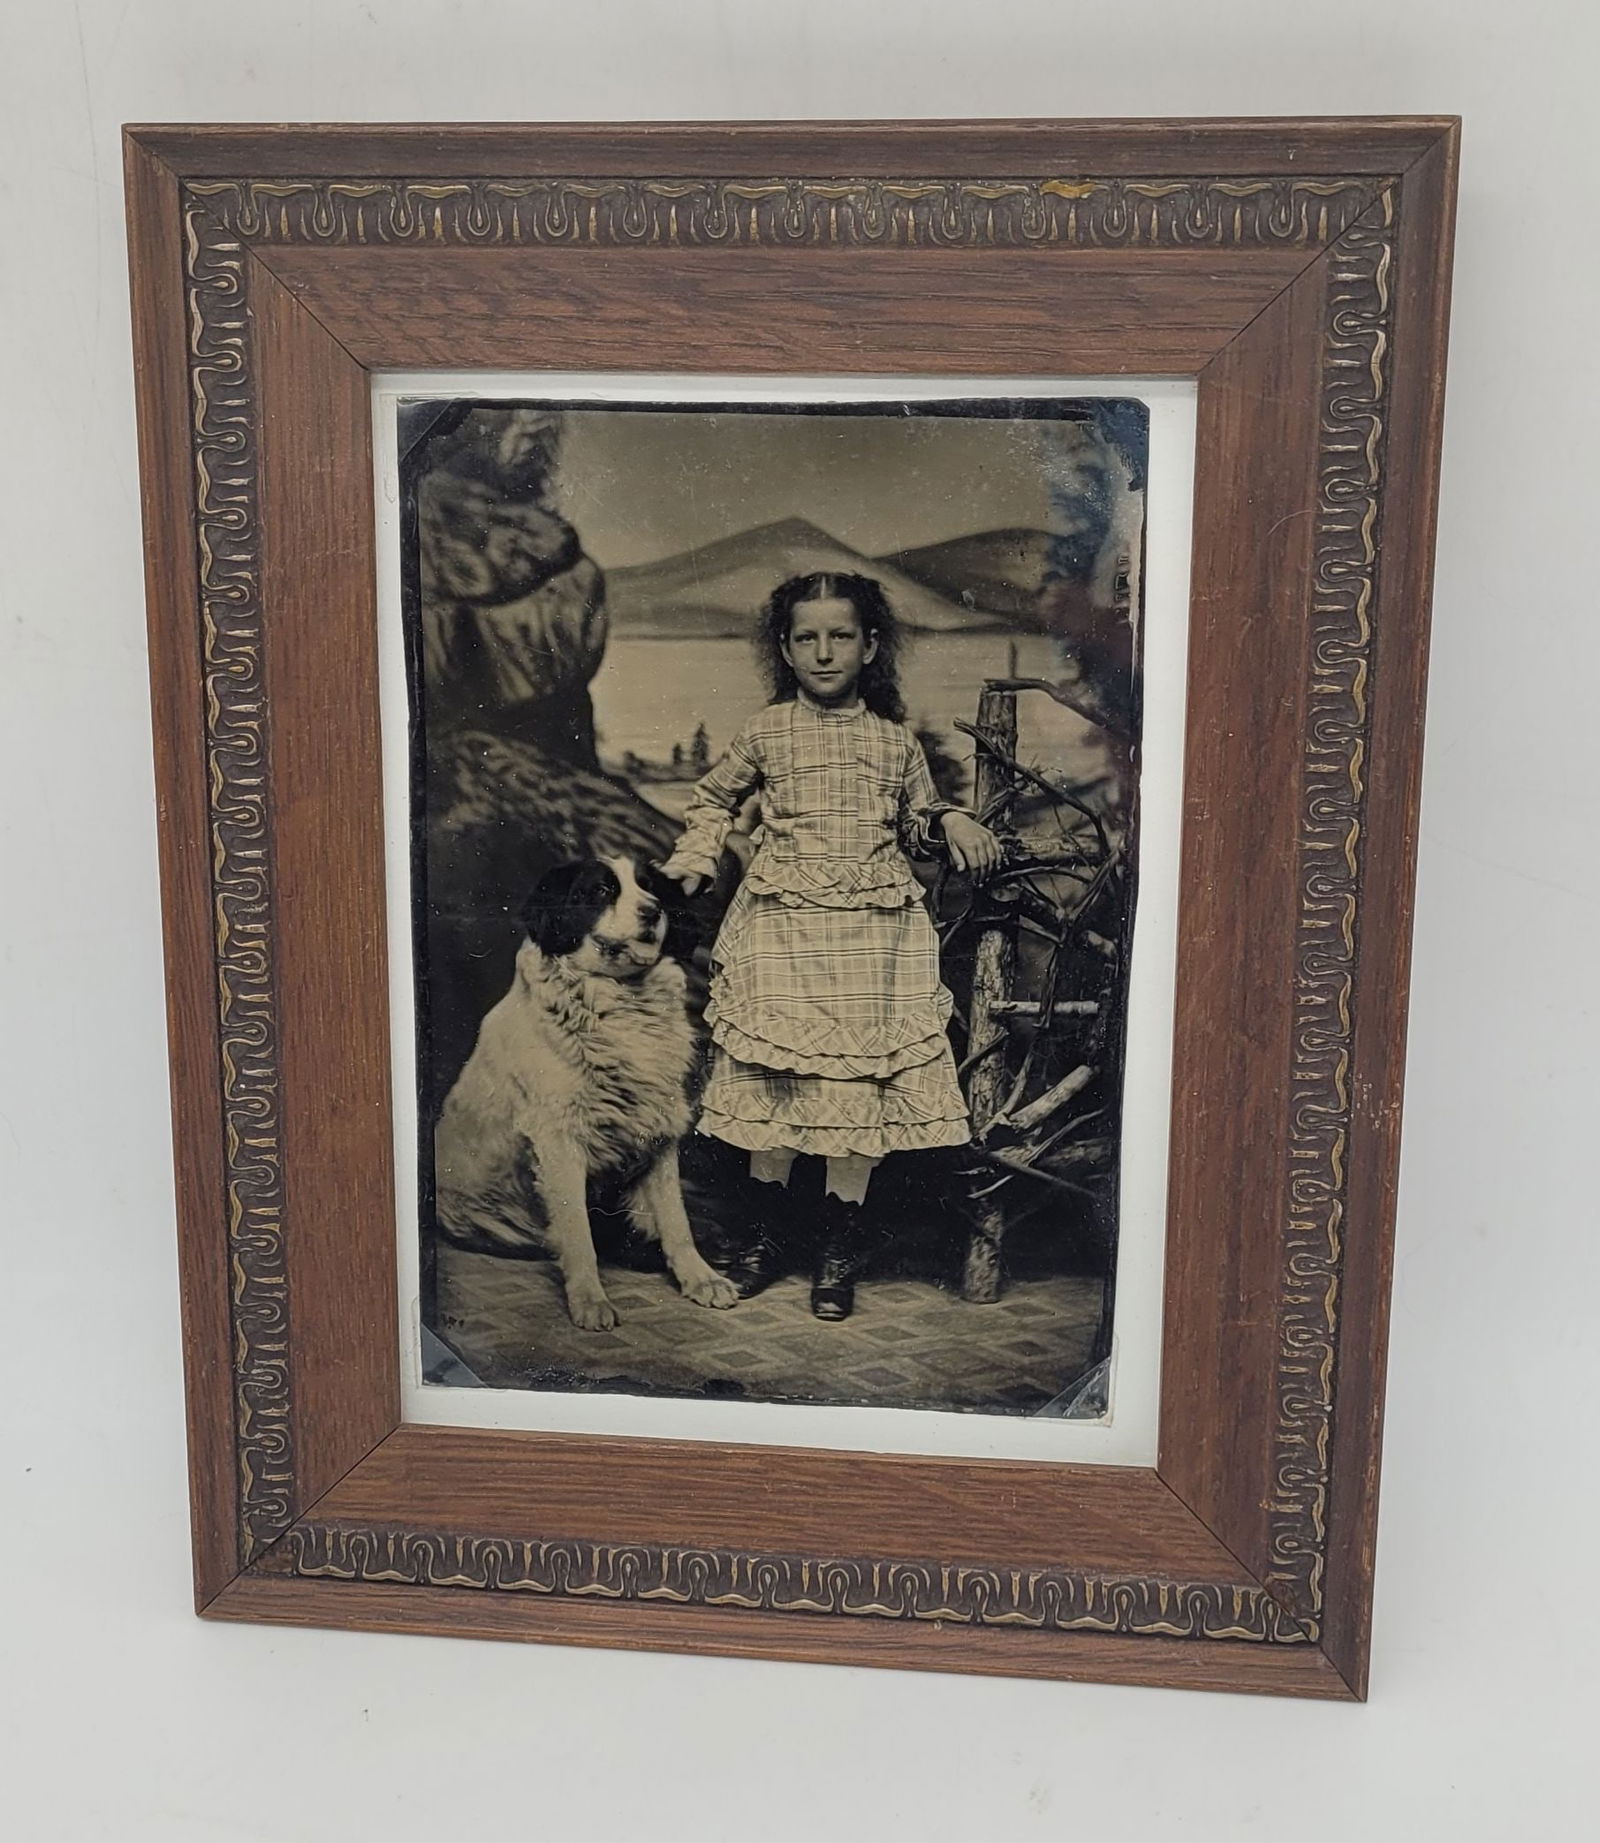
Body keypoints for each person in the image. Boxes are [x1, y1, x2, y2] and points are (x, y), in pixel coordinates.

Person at [660, 572, 1003, 1319]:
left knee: (855, 1092)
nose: (823, 652)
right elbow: (714, 798)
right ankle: (762, 1241)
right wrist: (696, 856)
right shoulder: (766, 731)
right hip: (782, 928)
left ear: (869, 646)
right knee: (779, 1080)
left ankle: (836, 1252)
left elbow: (917, 822)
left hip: (872, 938)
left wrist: (950, 819)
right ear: (785, 649)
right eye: (806, 638)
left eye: (840, 636)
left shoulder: (893, 741)